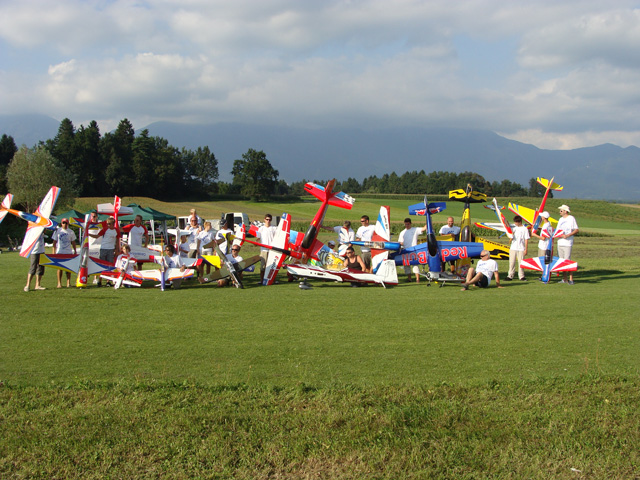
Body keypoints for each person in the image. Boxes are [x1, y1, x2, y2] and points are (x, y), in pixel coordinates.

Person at [91, 216, 120, 287]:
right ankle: (100, 281)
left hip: (111, 249)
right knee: (102, 265)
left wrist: (117, 249)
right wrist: (88, 234)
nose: (107, 225)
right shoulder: (105, 229)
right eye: (107, 224)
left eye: (109, 224)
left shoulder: (116, 230)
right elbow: (97, 236)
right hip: (103, 248)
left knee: (109, 265)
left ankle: (108, 281)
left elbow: (117, 240)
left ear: (112, 224)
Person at [398, 217, 428, 283]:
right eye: (406, 224)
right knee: (406, 265)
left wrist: (428, 221)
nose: (407, 225)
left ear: (410, 223)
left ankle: (417, 279)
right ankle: (409, 279)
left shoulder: (415, 229)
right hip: (406, 250)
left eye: (408, 224)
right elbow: (401, 242)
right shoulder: (402, 232)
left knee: (415, 265)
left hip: (414, 250)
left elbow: (423, 229)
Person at [556, 204, 579, 284]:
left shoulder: (571, 218)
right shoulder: (560, 219)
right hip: (560, 242)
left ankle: (571, 279)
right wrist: (559, 235)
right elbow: (558, 231)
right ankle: (564, 278)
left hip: (567, 243)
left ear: (565, 211)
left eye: (561, 210)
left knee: (567, 261)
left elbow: (576, 230)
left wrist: (567, 235)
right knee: (562, 262)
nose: (560, 212)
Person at [52, 218, 77, 288]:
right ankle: (59, 283)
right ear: (61, 223)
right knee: (59, 268)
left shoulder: (71, 232)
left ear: (68, 224)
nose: (65, 224)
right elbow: (54, 242)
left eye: (66, 223)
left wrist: (75, 250)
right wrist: (53, 252)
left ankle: (68, 282)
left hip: (68, 252)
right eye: (63, 223)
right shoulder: (57, 231)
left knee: (68, 268)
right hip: (60, 252)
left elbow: (73, 242)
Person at [505, 215, 529, 281]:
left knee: (521, 263)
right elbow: (509, 231)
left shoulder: (525, 229)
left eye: (516, 222)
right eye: (515, 222)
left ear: (519, 222)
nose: (515, 223)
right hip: (513, 248)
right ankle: (510, 275)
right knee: (512, 262)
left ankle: (521, 276)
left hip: (521, 248)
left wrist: (526, 249)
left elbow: (526, 239)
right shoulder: (514, 228)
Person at [257, 214, 277, 283]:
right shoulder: (261, 228)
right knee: (263, 266)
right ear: (264, 220)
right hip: (264, 250)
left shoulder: (274, 228)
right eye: (267, 219)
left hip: (272, 250)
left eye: (269, 220)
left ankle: (272, 280)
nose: (268, 221)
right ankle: (261, 280)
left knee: (272, 266)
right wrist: (256, 243)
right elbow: (258, 238)